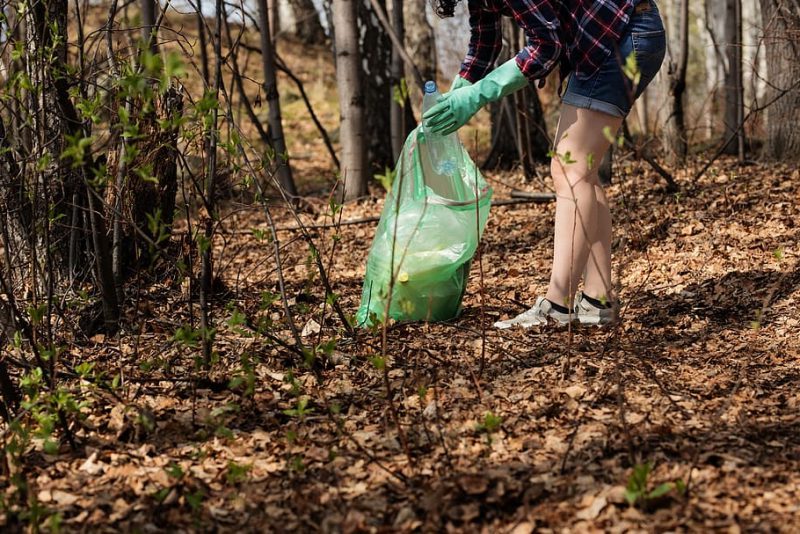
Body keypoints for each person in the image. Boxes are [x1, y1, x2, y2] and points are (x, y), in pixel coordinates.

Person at [424, 0, 666, 327]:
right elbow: (485, 39)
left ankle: (557, 306)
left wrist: (479, 94)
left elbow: (547, 47)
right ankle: (597, 300)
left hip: (621, 35)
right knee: (580, 171)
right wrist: (463, 87)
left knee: (571, 169)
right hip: (611, 37)